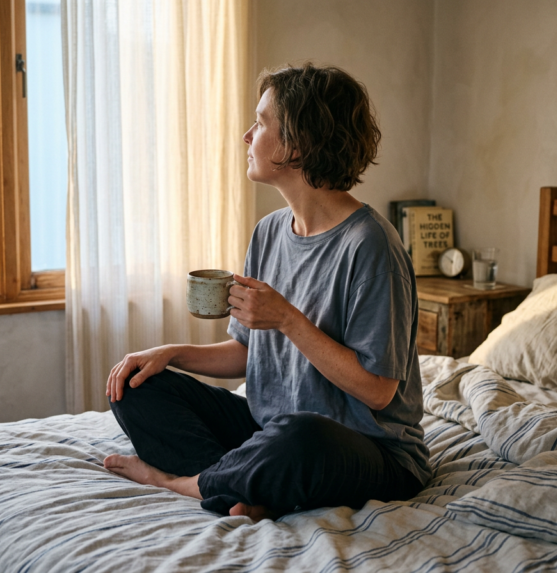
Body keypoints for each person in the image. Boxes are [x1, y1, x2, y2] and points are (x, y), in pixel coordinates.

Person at [104, 63, 430, 521]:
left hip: (369, 451)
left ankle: (181, 483)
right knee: (135, 386)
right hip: (271, 431)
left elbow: (378, 392)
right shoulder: (269, 232)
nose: (246, 135)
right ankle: (245, 488)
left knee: (301, 437)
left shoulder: (371, 246)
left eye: (260, 123)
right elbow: (245, 351)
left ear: (297, 143)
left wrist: (287, 319)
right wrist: (170, 353)